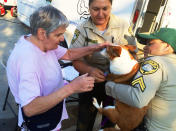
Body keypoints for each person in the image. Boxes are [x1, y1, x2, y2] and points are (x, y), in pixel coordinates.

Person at [6, 5, 110, 131]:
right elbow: (30, 108)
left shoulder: (36, 40)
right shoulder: (28, 62)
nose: (62, 39)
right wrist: (72, 87)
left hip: (53, 110)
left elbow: (69, 54)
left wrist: (95, 47)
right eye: (58, 35)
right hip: (42, 120)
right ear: (42, 33)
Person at [70, 0, 137, 130]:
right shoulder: (82, 28)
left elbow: (134, 52)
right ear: (89, 9)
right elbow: (74, 59)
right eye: (95, 9)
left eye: (105, 9)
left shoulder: (122, 25)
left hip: (116, 84)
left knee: (110, 121)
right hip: (90, 81)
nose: (100, 14)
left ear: (111, 8)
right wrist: (89, 70)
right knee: (84, 120)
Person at [105, 27, 176, 131]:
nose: (145, 47)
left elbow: (138, 99)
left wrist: (109, 86)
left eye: (150, 43)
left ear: (167, 46)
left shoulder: (155, 63)